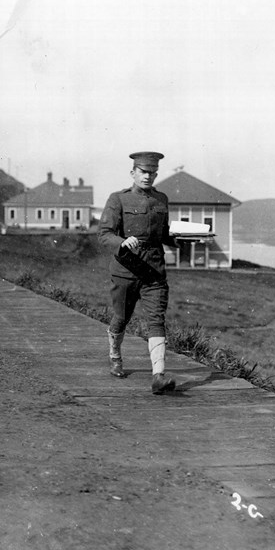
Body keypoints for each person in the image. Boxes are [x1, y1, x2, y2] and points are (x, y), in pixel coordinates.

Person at [98, 151, 178, 394]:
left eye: (153, 173)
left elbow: (163, 234)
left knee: (156, 320)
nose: (148, 176)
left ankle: (158, 376)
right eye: (143, 172)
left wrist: (184, 238)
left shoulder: (161, 199)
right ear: (133, 173)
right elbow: (104, 234)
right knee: (121, 317)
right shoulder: (118, 199)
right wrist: (122, 242)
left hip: (154, 270)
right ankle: (115, 356)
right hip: (126, 270)